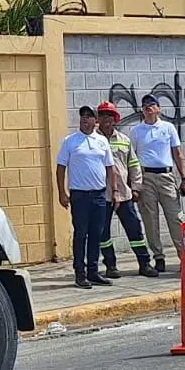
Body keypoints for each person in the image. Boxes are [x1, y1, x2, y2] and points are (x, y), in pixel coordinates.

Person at [96, 102, 157, 279]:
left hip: (124, 194)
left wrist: (136, 187)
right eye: (103, 115)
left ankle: (144, 263)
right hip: (102, 195)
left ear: (115, 119)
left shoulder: (124, 140)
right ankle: (111, 266)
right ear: (98, 119)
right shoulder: (93, 141)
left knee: (135, 230)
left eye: (109, 115)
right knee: (103, 233)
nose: (106, 119)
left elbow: (134, 165)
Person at [130, 95, 185, 273]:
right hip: (146, 176)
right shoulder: (136, 131)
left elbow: (177, 152)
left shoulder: (168, 128)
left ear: (159, 109)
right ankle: (158, 256)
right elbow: (131, 158)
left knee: (175, 217)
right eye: (145, 105)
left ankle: (184, 257)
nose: (148, 108)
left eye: (152, 105)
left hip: (166, 176)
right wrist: (134, 185)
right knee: (150, 219)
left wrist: (184, 177)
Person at [55, 106, 111, 289]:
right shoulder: (70, 141)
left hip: (99, 194)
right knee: (81, 234)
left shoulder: (102, 141)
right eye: (82, 116)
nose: (84, 119)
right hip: (79, 196)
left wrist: (114, 191)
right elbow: (61, 167)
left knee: (97, 234)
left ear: (96, 121)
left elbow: (110, 168)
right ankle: (80, 273)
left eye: (89, 117)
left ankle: (93, 272)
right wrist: (62, 193)